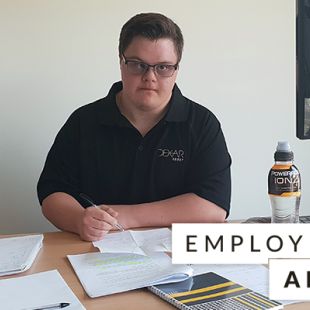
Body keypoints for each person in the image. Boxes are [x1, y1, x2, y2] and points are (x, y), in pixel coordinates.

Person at [37, 12, 231, 241]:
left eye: (163, 67)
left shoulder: (201, 123)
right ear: (121, 62)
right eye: (138, 65)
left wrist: (127, 216)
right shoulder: (84, 121)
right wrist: (79, 219)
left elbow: (214, 206)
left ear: (176, 69)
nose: (150, 77)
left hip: (177, 255)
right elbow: (52, 193)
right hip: (95, 252)